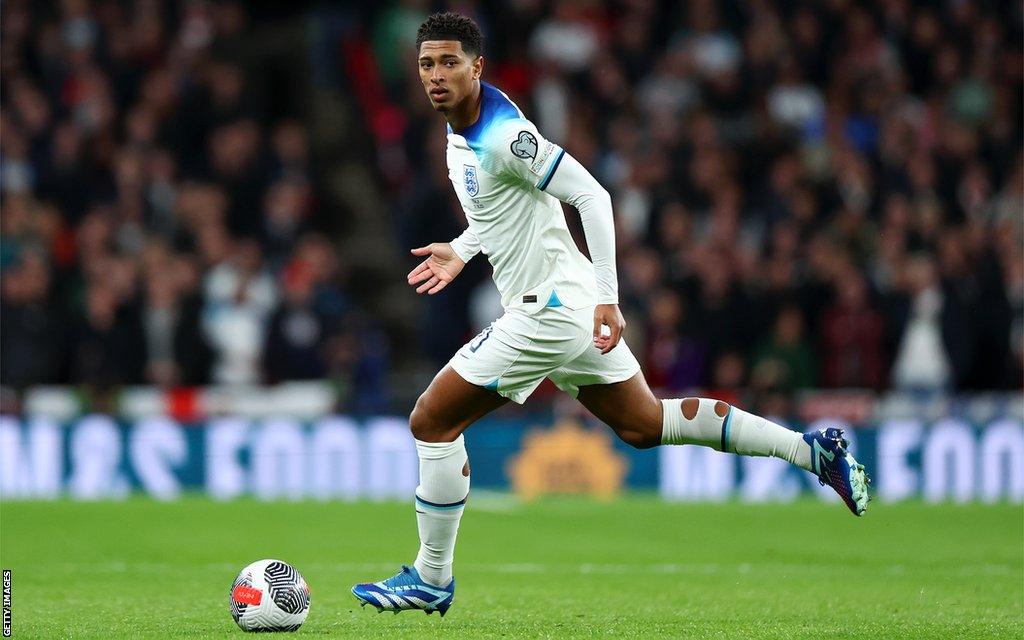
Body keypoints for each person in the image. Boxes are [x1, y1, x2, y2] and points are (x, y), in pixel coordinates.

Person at [352, 12, 869, 617]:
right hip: (560, 303)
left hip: (549, 308)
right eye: (426, 64)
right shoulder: (463, 129)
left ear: (476, 67)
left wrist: (608, 297)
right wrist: (465, 249)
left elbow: (590, 195)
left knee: (431, 420)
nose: (435, 76)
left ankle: (431, 577)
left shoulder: (501, 133)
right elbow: (508, 207)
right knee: (644, 425)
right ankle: (814, 451)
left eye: (448, 63)